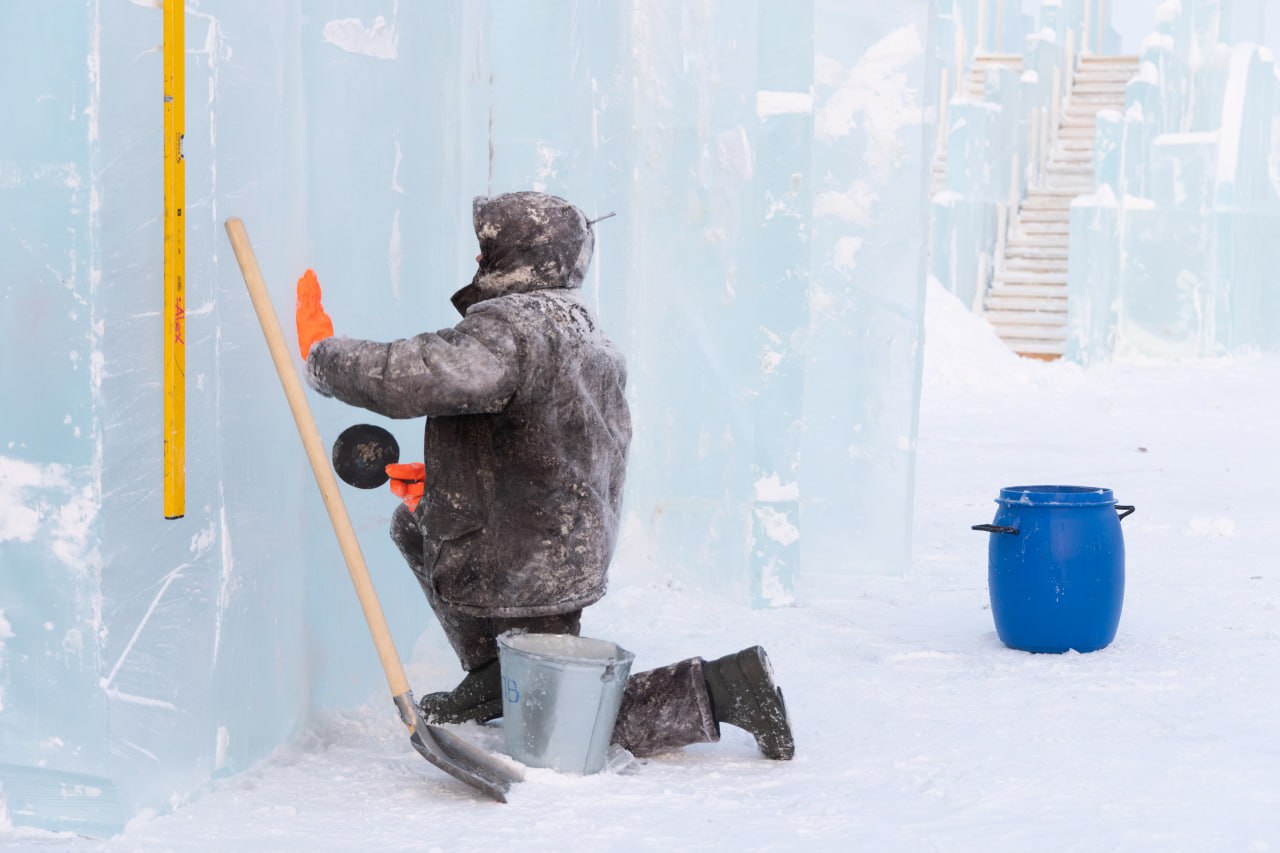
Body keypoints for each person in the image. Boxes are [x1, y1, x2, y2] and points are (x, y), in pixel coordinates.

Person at [296, 191, 793, 760]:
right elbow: (548, 436)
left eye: (489, 248)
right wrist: (453, 481)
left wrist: (323, 354)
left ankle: (723, 689)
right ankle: (493, 675)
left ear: (520, 255)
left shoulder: (514, 327)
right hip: (551, 532)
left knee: (559, 723)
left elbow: (421, 375)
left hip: (529, 550)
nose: (479, 260)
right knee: (417, 524)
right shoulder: (572, 320)